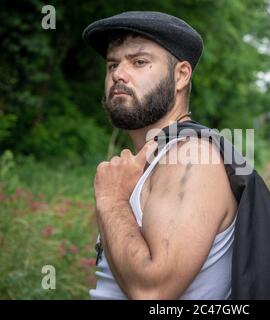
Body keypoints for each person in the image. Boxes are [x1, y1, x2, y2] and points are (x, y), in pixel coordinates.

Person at [83, 11, 239, 300]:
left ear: (181, 75)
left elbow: (152, 291)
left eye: (139, 62)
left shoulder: (191, 157)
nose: (118, 73)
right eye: (112, 64)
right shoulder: (157, 159)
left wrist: (111, 199)